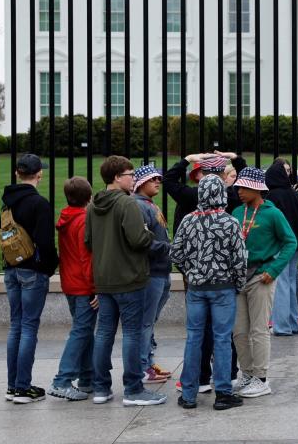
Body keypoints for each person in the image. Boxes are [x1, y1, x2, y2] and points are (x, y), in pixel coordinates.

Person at [86, 155, 166, 406]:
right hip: (129, 278)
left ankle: (100, 388)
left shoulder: (93, 205)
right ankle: (133, 389)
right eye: (130, 174)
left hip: (104, 279)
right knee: (131, 334)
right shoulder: (127, 204)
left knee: (104, 334)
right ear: (117, 177)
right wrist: (153, 237)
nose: (134, 179)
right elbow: (139, 240)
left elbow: (88, 241)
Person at [164, 150, 241, 391]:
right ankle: (225, 383)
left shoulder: (188, 209)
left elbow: (175, 253)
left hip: (196, 281)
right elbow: (239, 258)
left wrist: (191, 271)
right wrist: (236, 158)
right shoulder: (231, 208)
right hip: (223, 282)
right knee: (223, 335)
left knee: (195, 335)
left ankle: (194, 386)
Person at [230, 167, 298, 397]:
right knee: (239, 331)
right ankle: (247, 373)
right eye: (238, 186)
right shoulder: (238, 212)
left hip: (262, 276)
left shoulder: (273, 213)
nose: (238, 191)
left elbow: (291, 242)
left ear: (256, 188)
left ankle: (261, 378)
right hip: (239, 277)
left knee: (259, 329)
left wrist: (274, 269)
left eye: (243, 187)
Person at [2, 153, 59, 403]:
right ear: (39, 174)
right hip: (32, 271)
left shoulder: (7, 203)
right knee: (28, 327)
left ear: (17, 173)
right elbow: (45, 243)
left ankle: (13, 385)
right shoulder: (39, 203)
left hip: (11, 268)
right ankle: (23, 388)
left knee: (16, 325)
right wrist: (49, 267)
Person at [48, 177, 98, 401]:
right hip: (83, 285)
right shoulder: (84, 220)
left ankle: (87, 379)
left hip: (70, 282)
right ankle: (62, 380)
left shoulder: (66, 217)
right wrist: (95, 288)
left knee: (84, 331)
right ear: (89, 197)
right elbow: (87, 257)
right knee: (81, 331)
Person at [132, 164, 173, 384]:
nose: (158, 182)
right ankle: (142, 368)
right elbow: (143, 242)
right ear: (140, 183)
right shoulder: (139, 207)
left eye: (158, 179)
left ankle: (148, 362)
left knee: (150, 322)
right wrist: (168, 248)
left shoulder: (149, 204)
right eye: (152, 179)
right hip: (150, 272)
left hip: (160, 270)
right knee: (145, 323)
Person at [268, 158, 298, 336]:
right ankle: (293, 323)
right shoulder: (295, 195)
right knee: (291, 283)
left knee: (281, 285)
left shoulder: (272, 196)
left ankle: (282, 326)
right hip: (296, 244)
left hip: (280, 245)